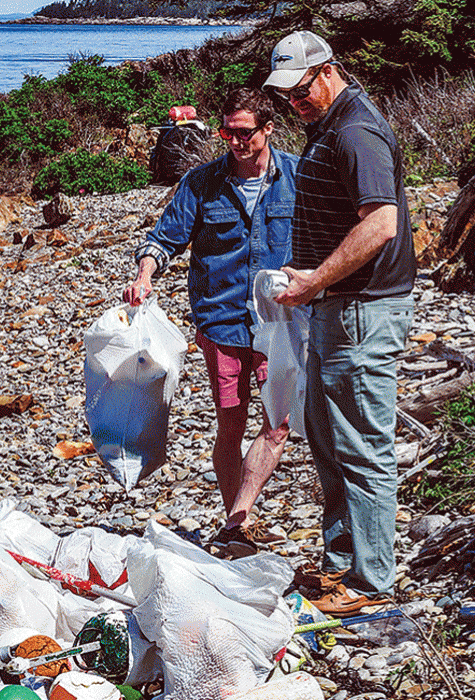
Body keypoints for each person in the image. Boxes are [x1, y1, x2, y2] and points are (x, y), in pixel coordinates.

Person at [265, 31, 416, 616]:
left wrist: (315, 279)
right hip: (335, 303)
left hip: (362, 307)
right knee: (326, 434)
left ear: (327, 71)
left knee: (360, 441)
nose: (294, 104)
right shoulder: (328, 124)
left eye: (301, 92)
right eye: (286, 97)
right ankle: (342, 560)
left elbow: (380, 223)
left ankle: (372, 579)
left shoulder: (355, 130)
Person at [123, 87, 298, 557]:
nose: (236, 142)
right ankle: (235, 523)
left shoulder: (298, 177)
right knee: (231, 424)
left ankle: (240, 513)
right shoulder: (201, 183)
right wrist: (144, 275)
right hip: (220, 321)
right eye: (228, 133)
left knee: (278, 423)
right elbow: (164, 239)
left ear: (268, 129)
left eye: (244, 133)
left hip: (280, 322)